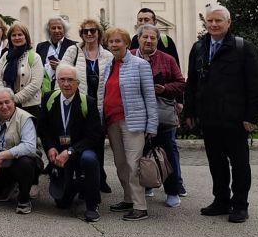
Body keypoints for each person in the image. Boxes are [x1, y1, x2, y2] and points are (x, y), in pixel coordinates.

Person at [185, 4, 258, 223]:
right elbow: (192, 82)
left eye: (218, 20)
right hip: (210, 118)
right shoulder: (199, 48)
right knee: (216, 163)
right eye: (210, 20)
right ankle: (221, 200)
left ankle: (240, 204)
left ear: (228, 23)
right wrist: (190, 111)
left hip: (236, 119)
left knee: (239, 164)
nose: (213, 24)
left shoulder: (243, 47)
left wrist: (252, 117)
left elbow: (257, 86)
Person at [99, 27, 158, 221]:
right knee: (120, 163)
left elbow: (150, 96)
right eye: (111, 42)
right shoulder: (108, 65)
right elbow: (104, 93)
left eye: (118, 41)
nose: (114, 44)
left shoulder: (140, 65)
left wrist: (151, 126)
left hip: (133, 122)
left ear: (126, 43)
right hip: (112, 121)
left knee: (134, 165)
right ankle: (128, 198)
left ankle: (140, 207)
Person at [39, 63, 103, 222]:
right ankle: (79, 185)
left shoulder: (88, 102)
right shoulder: (49, 98)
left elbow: (94, 136)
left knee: (89, 159)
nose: (66, 84)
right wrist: (50, 147)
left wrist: (70, 151)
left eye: (70, 80)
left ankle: (92, 205)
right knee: (62, 204)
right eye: (62, 80)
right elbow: (43, 129)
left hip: (80, 150)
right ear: (58, 81)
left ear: (78, 83)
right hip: (58, 152)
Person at [134, 23, 187, 206]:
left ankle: (172, 191)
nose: (149, 41)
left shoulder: (167, 59)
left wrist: (164, 89)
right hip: (137, 114)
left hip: (162, 114)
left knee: (167, 153)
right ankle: (147, 186)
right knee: (142, 152)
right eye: (145, 37)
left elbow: (181, 83)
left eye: (153, 38)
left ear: (157, 40)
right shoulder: (129, 56)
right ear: (139, 38)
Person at [62, 17, 113, 192]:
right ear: (82, 34)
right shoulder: (73, 51)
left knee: (97, 142)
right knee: (76, 139)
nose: (90, 34)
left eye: (93, 31)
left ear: (99, 33)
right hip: (78, 104)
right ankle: (78, 176)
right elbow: (62, 73)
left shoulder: (107, 55)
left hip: (98, 106)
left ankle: (99, 177)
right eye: (86, 31)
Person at [0, 22, 45, 116]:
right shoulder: (6, 56)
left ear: (26, 37)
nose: (17, 38)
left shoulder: (35, 57)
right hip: (7, 107)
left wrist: (13, 99)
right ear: (10, 38)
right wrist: (5, 98)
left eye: (20, 34)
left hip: (29, 107)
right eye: (14, 35)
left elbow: (35, 84)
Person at [36, 15, 78, 87]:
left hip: (65, 85)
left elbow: (78, 68)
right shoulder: (41, 46)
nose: (56, 30)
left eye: (59, 28)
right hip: (45, 86)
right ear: (48, 30)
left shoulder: (73, 46)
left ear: (64, 30)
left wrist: (61, 66)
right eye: (53, 28)